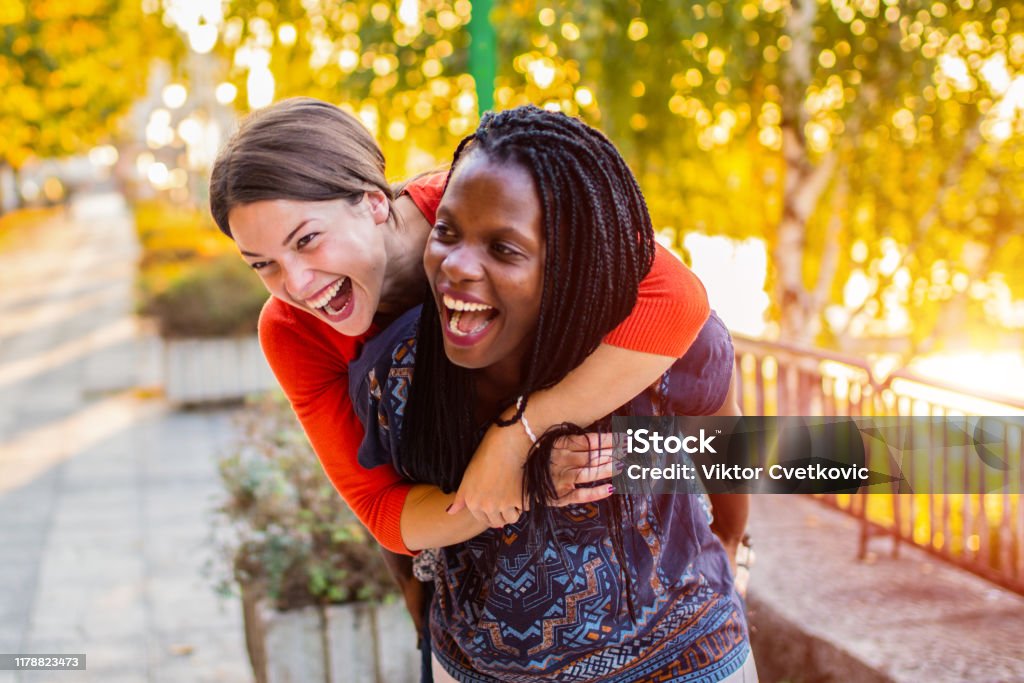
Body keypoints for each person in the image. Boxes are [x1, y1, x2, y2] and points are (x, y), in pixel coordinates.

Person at [208, 97, 717, 556]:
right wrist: (515, 483)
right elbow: (383, 510)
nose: (294, 284)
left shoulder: (504, 199)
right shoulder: (306, 334)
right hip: (476, 638)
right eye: (262, 264)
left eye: (307, 240)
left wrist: (521, 434)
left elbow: (691, 328)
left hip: (689, 625)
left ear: (373, 201)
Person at [352, 106, 756, 682]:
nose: (457, 266)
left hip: (684, 665)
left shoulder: (664, 351)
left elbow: (737, 443)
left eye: (505, 248)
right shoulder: (394, 373)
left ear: (572, 265)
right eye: (446, 232)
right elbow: (392, 519)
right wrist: (431, 634)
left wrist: (648, 458)